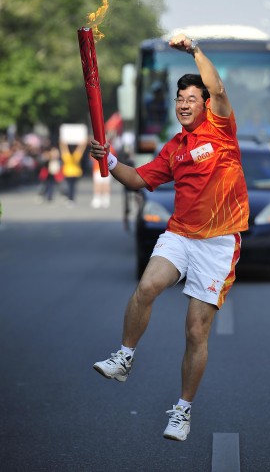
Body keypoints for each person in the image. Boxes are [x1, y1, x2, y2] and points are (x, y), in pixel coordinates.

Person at [90, 34, 249, 442]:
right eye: (179, 98)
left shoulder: (222, 130)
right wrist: (109, 159)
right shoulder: (175, 148)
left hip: (218, 242)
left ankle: (182, 410)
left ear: (205, 104)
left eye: (191, 98)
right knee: (147, 285)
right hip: (180, 233)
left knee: (196, 331)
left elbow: (218, 88)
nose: (183, 103)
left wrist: (195, 50)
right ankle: (124, 357)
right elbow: (141, 179)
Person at [60, 140, 87, 205]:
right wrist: (83, 143)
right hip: (75, 173)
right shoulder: (76, 155)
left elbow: (64, 149)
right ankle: (71, 198)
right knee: (72, 186)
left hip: (68, 173)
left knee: (69, 186)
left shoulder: (66, 155)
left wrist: (62, 143)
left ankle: (69, 197)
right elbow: (80, 149)